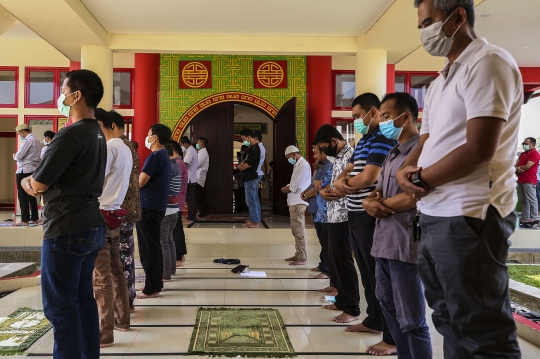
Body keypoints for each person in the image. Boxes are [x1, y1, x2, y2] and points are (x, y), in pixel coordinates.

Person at [397, 1, 524, 357]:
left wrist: (419, 177)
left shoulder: (488, 62)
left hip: (471, 213)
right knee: (448, 319)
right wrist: (405, 168)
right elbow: (427, 138)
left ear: (458, 16)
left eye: (429, 22)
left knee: (481, 330)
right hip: (436, 213)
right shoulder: (440, 82)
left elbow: (478, 149)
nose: (424, 32)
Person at [21, 69, 106, 358]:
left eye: (64, 90)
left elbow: (38, 184)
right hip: (90, 224)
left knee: (60, 307)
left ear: (76, 95)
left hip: (66, 227)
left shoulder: (70, 135)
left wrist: (25, 181)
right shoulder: (97, 132)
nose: (61, 96)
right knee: (82, 299)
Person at [363, 93, 432, 358]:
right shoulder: (392, 153)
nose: (381, 121)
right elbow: (376, 194)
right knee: (387, 303)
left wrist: (382, 206)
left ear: (406, 117)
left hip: (406, 242)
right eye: (380, 116)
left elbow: (416, 193)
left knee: (412, 319)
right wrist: (370, 203)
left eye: (387, 116)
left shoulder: (423, 150)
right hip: (384, 241)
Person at [332, 93, 397, 355]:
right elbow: (347, 172)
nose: (356, 122)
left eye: (358, 117)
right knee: (368, 273)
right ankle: (374, 320)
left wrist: (343, 186)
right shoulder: (364, 141)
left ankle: (392, 337)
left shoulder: (382, 137)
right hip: (355, 212)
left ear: (373, 112)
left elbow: (370, 177)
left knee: (381, 276)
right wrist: (342, 183)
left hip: (370, 215)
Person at [93, 108, 132, 348]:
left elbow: (96, 179)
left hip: (100, 213)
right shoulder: (125, 148)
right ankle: (122, 320)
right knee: (116, 271)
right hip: (115, 213)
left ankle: (103, 334)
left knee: (101, 278)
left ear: (100, 124)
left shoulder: (109, 147)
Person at [313, 125, 352, 304]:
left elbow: (351, 184)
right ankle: (341, 295)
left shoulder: (351, 156)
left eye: (323, 147)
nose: (322, 152)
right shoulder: (336, 157)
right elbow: (332, 183)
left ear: (333, 142)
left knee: (344, 260)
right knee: (335, 256)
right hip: (333, 213)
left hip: (345, 214)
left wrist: (332, 191)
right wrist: (324, 191)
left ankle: (349, 303)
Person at [109, 110, 141, 313]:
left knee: (119, 260)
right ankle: (128, 300)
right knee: (126, 256)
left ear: (111, 126)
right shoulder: (131, 147)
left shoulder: (117, 147)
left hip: (118, 210)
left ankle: (122, 304)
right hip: (128, 209)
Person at [137, 124, 172, 299]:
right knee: (154, 246)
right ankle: (156, 284)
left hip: (148, 205)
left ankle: (151, 288)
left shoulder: (154, 157)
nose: (147, 137)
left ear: (155, 137)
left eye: (148, 134)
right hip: (157, 206)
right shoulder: (165, 155)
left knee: (148, 249)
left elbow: (141, 182)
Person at [301, 144, 333, 279]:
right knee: (322, 239)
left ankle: (327, 270)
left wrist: (307, 194)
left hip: (324, 209)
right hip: (317, 207)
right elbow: (314, 183)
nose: (314, 156)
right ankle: (323, 265)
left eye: (316, 153)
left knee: (327, 240)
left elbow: (320, 186)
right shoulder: (321, 165)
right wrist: (306, 192)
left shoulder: (329, 165)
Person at [282, 145, 311, 265]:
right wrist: (289, 187)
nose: (289, 159)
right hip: (294, 201)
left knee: (299, 230)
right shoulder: (297, 164)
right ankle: (298, 253)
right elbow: (294, 182)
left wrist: (286, 189)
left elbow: (298, 186)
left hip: (299, 202)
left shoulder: (303, 165)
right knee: (295, 230)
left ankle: (302, 257)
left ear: (294, 154)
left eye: (289, 157)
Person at [13, 123, 42, 226]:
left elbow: (19, 156)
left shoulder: (27, 141)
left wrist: (14, 156)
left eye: (19, 133)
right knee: (32, 194)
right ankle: (34, 218)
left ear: (22, 132)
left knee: (22, 195)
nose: (19, 136)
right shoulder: (37, 140)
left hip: (23, 170)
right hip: (33, 170)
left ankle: (24, 220)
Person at [161, 142, 182, 281]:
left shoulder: (169, 167)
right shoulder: (177, 165)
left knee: (164, 242)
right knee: (169, 240)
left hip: (167, 209)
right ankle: (171, 270)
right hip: (174, 208)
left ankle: (165, 274)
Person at [168, 140, 188, 267]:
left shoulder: (176, 163)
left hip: (175, 200)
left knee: (175, 230)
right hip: (178, 200)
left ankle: (177, 257)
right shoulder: (180, 162)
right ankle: (180, 255)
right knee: (178, 228)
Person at [238, 130, 262, 228]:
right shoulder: (251, 148)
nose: (244, 141)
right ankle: (255, 218)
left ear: (249, 137)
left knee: (250, 200)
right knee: (254, 199)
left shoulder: (255, 148)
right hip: (249, 176)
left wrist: (241, 167)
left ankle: (254, 221)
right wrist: (243, 165)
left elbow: (250, 164)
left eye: (244, 139)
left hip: (251, 177)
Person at [516, 137, 540, 227]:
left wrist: (518, 169)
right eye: (524, 143)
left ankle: (534, 219)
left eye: (526, 143)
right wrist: (517, 169)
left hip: (529, 181)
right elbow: (516, 165)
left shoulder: (535, 153)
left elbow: (527, 166)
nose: (524, 145)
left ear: (532, 144)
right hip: (521, 180)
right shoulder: (522, 154)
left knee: (532, 200)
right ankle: (525, 218)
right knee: (523, 200)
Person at [181, 136, 198, 222]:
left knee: (189, 198)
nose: (182, 147)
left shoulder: (190, 152)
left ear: (185, 144)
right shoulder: (192, 150)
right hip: (192, 177)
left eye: (182, 145)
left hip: (190, 178)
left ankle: (191, 216)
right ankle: (192, 215)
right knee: (191, 198)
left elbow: (184, 164)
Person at [195, 137, 209, 218]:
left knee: (199, 195)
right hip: (197, 176)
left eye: (198, 142)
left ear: (202, 144)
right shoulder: (200, 152)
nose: (197, 143)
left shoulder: (203, 153)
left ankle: (202, 212)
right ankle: (200, 211)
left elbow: (198, 163)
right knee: (198, 195)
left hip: (199, 176)